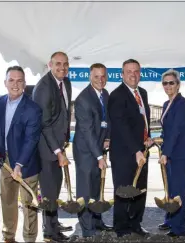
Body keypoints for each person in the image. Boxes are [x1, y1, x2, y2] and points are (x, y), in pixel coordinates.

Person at [0, 66, 42, 243]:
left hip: (26, 165)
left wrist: (19, 165)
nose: (15, 84)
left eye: (20, 80)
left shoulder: (33, 109)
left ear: (25, 84)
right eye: (11, 80)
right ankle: (8, 237)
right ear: (5, 83)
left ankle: (29, 239)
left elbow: (31, 140)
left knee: (29, 206)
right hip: (4, 162)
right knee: (8, 201)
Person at [108, 59, 153, 238]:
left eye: (136, 71)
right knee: (124, 190)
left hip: (142, 150)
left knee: (140, 188)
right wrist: (136, 150)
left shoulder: (142, 93)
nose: (133, 74)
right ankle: (121, 227)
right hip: (124, 154)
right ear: (122, 74)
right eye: (129, 71)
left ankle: (136, 223)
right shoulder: (117, 95)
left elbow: (142, 120)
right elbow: (121, 126)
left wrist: (146, 137)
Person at [32, 51, 73, 242]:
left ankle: (54, 223)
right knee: (48, 191)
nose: (62, 68)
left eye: (65, 64)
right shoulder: (44, 87)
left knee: (55, 188)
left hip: (58, 145)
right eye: (58, 64)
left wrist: (64, 142)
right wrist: (58, 151)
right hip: (47, 149)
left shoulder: (66, 83)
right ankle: (49, 232)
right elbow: (45, 123)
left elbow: (64, 113)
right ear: (50, 64)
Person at [73, 63, 114, 238]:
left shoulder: (105, 94)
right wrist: (98, 155)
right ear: (90, 77)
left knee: (97, 188)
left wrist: (107, 138)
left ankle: (97, 221)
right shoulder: (83, 99)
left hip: (98, 146)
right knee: (85, 191)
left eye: (103, 76)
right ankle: (87, 230)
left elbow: (107, 119)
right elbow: (87, 131)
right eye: (96, 76)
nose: (100, 80)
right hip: (85, 151)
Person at [156, 69, 185, 238]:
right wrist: (156, 139)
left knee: (178, 191)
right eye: (165, 83)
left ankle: (179, 228)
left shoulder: (182, 103)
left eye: (171, 82)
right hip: (170, 152)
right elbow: (167, 131)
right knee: (170, 189)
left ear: (178, 85)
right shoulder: (166, 104)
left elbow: (177, 130)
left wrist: (166, 152)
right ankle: (170, 219)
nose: (168, 86)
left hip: (179, 154)